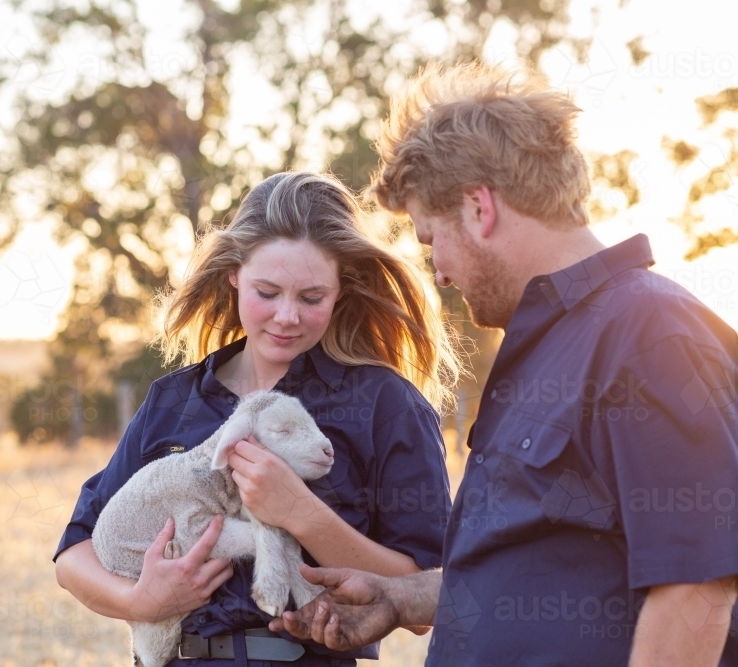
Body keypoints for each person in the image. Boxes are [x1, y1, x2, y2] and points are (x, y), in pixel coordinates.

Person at [269, 62, 738, 666]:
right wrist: (401, 596)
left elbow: (697, 585)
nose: (436, 270)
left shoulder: (649, 334)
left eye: (431, 238)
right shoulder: (548, 346)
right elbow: (547, 567)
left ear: (478, 208)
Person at [53, 171, 463, 666]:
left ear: (341, 291)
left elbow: (423, 599)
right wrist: (140, 602)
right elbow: (75, 555)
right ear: (233, 274)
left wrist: (299, 512)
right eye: (267, 292)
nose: (286, 316)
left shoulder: (386, 406)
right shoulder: (173, 399)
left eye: (311, 298)